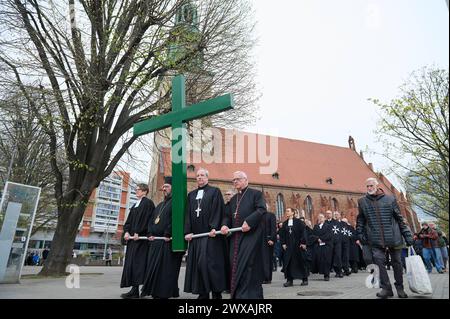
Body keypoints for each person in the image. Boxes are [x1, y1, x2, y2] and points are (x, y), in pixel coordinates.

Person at [356, 177, 413, 299]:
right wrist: (359, 233)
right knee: (378, 262)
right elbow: (360, 219)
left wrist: (407, 235)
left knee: (397, 263)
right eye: (367, 186)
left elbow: (399, 218)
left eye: (371, 185)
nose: (369, 188)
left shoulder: (390, 199)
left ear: (377, 186)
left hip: (394, 237)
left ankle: (400, 288)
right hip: (375, 238)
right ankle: (386, 288)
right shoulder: (362, 201)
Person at [220, 171, 267, 299]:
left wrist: (249, 221)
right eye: (233, 180)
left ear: (246, 180)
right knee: (234, 265)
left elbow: (262, 209)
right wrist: (224, 225)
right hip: (235, 239)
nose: (235, 181)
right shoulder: (234, 199)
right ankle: (238, 295)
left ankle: (250, 296)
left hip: (251, 237)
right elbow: (227, 216)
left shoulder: (256, 194)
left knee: (248, 266)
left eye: (238, 179)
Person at [184, 169, 228, 299]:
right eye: (197, 176)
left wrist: (214, 227)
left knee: (211, 266)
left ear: (207, 178)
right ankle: (203, 293)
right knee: (198, 265)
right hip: (196, 237)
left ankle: (216, 293)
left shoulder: (214, 192)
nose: (199, 178)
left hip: (210, 236)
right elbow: (187, 214)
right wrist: (187, 231)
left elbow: (218, 210)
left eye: (202, 175)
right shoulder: (191, 195)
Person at [141, 177, 184, 299]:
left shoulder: (177, 202)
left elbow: (176, 220)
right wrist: (149, 233)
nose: (164, 189)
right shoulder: (160, 205)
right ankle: (154, 291)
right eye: (163, 187)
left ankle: (164, 292)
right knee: (154, 268)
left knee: (165, 270)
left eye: (167, 187)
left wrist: (167, 233)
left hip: (167, 242)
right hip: (155, 242)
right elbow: (151, 220)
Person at [120, 183, 155, 299]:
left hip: (141, 241)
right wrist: (126, 231)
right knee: (131, 265)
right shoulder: (135, 205)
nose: (136, 191)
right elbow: (129, 221)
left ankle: (141, 290)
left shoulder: (148, 203)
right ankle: (134, 290)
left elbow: (148, 220)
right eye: (136, 190)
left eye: (138, 190)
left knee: (139, 265)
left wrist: (139, 232)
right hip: (132, 240)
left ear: (145, 191)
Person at [280, 207, 309, 287]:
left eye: (288, 211)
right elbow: (282, 235)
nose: (287, 212)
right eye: (286, 211)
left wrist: (303, 243)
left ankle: (304, 279)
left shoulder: (299, 222)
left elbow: (303, 232)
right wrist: (283, 243)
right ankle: (289, 280)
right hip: (288, 246)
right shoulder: (285, 223)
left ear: (293, 212)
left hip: (297, 245)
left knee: (301, 262)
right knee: (288, 263)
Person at [310, 214, 333, 281]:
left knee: (326, 260)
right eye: (319, 217)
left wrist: (321, 239)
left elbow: (329, 235)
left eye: (322, 217)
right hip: (318, 246)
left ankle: (326, 275)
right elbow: (313, 235)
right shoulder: (316, 226)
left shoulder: (328, 226)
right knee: (320, 260)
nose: (320, 218)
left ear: (324, 218)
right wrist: (317, 239)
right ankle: (321, 271)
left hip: (326, 245)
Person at [325, 210, 343, 277]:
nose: (328, 214)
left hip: (336, 242)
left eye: (329, 213)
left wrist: (338, 240)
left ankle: (339, 271)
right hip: (328, 243)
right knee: (329, 258)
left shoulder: (336, 222)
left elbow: (339, 232)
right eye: (327, 213)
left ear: (331, 214)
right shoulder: (325, 222)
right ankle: (328, 273)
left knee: (338, 257)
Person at [262, 204, 277, 284]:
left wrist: (272, 239)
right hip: (260, 241)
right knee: (261, 260)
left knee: (267, 260)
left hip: (268, 240)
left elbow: (273, 228)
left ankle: (267, 278)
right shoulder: (259, 215)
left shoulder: (271, 215)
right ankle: (262, 277)